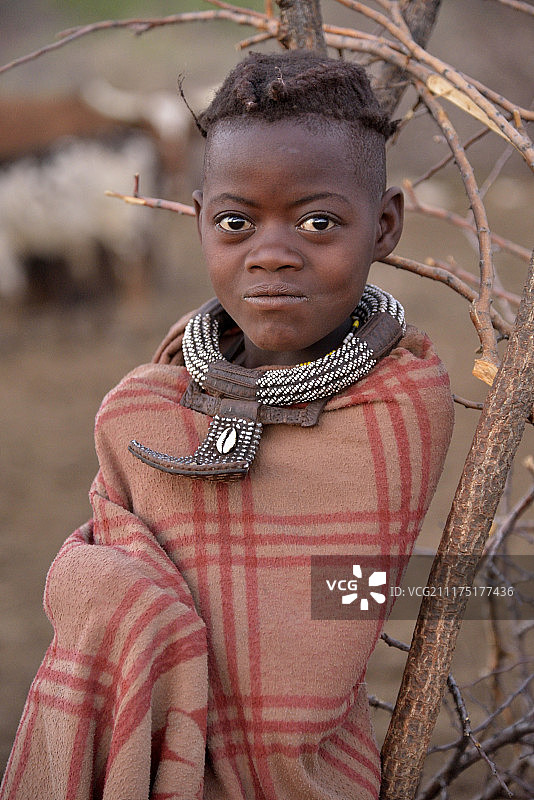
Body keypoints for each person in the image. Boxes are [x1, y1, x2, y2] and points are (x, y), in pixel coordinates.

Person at [1, 51, 454, 800]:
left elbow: (325, 620)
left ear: (385, 226)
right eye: (236, 223)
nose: (272, 254)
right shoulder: (141, 408)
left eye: (318, 221)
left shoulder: (400, 404)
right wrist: (107, 588)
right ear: (200, 218)